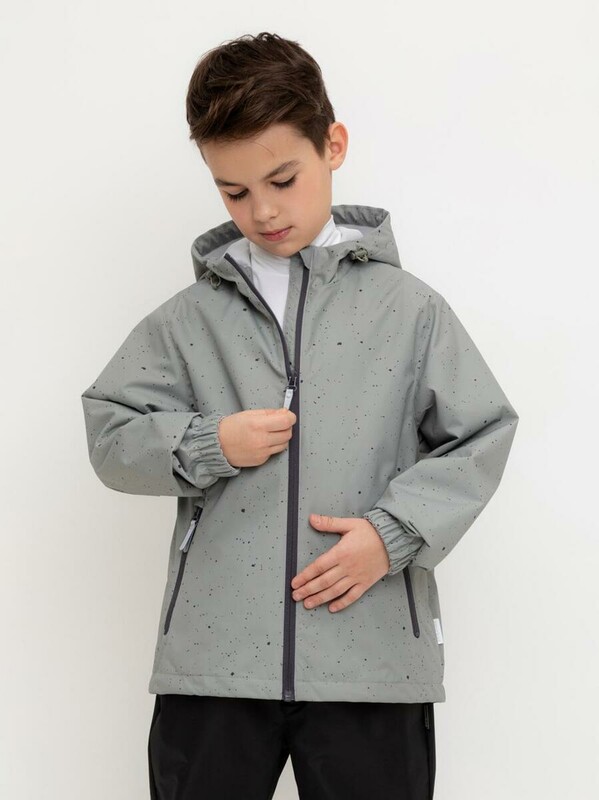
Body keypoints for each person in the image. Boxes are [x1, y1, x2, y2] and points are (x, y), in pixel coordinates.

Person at [80, 31, 519, 800]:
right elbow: (110, 433)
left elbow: (480, 433)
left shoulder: (409, 311)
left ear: (333, 146)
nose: (263, 210)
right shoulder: (188, 321)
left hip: (370, 660)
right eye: (233, 191)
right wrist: (207, 442)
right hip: (215, 664)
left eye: (282, 179)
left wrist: (390, 536)